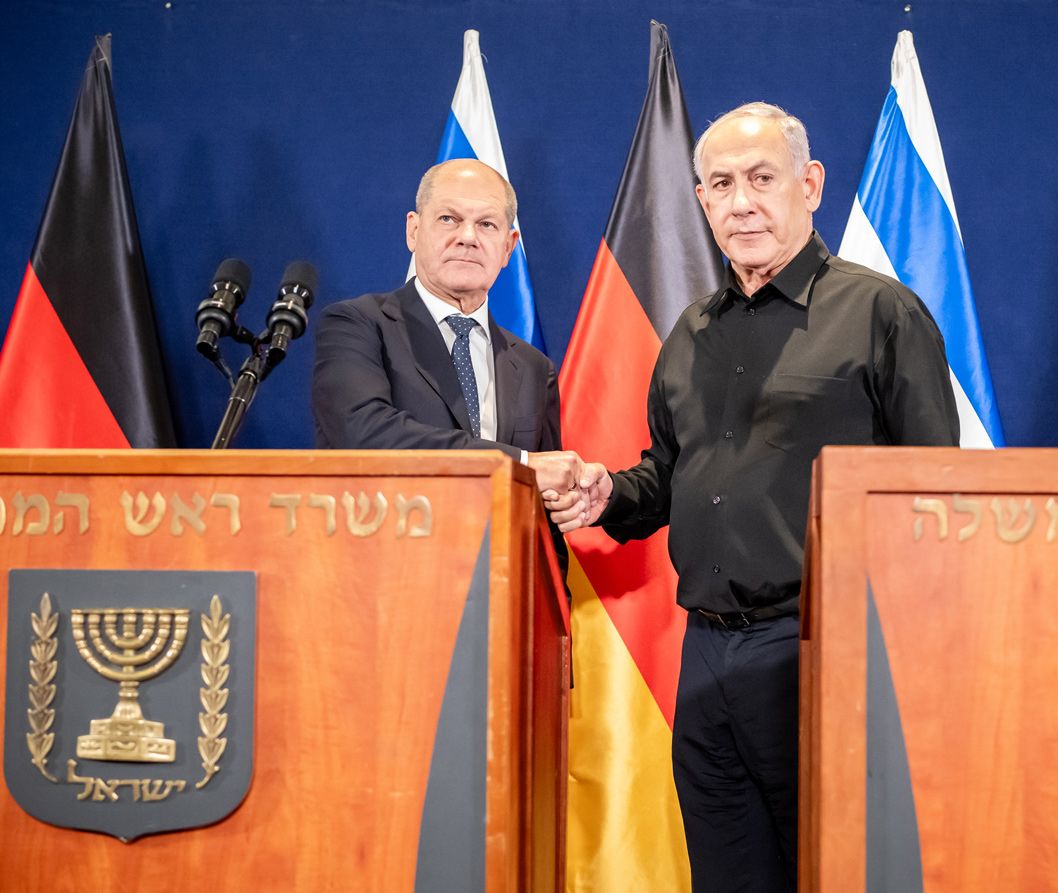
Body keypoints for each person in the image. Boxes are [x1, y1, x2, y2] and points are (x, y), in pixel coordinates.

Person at [548, 103, 960, 891]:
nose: (741, 202)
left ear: (810, 185)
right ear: (701, 201)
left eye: (762, 178)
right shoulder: (690, 333)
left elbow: (935, 498)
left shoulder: (881, 313)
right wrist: (608, 493)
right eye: (722, 184)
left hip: (823, 649)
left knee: (836, 872)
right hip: (705, 655)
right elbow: (670, 475)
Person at [312, 158, 585, 497]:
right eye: (448, 219)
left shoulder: (534, 368)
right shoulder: (357, 325)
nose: (467, 237)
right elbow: (363, 434)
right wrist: (521, 463)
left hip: (504, 534)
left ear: (508, 247)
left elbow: (545, 500)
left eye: (486, 224)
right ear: (413, 230)